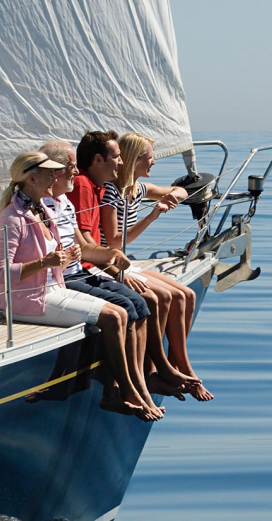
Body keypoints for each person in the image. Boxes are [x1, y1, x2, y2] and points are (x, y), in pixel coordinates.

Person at [0, 151, 157, 420]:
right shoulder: (12, 217)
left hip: (53, 290)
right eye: (50, 173)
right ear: (32, 178)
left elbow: (62, 257)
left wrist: (78, 257)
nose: (55, 177)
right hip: (28, 300)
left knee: (121, 312)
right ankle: (126, 391)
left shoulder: (42, 210)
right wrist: (45, 263)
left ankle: (119, 389)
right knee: (113, 316)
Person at [70, 131, 204, 401]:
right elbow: (115, 242)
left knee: (185, 294)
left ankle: (177, 366)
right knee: (161, 297)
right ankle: (156, 370)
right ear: (132, 160)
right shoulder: (107, 191)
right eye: (149, 158)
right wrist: (153, 215)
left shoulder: (134, 189)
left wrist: (177, 193)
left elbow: (174, 190)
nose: (154, 162)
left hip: (114, 260)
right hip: (110, 261)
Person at [38, 140, 167, 417]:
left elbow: (85, 247)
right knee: (124, 311)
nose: (77, 171)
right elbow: (1, 250)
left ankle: (137, 382)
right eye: (71, 167)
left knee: (138, 305)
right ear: (52, 172)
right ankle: (125, 388)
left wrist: (113, 258)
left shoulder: (63, 203)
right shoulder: (35, 207)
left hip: (79, 272)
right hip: (60, 283)